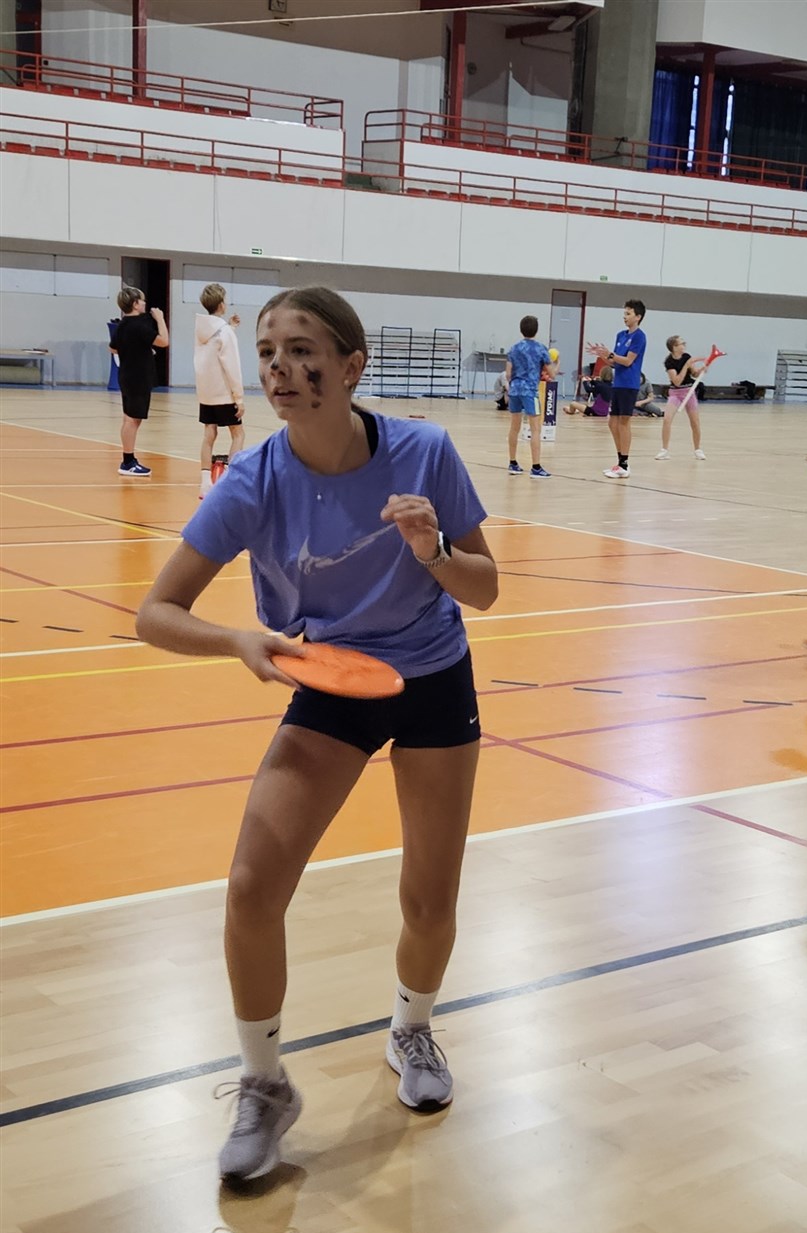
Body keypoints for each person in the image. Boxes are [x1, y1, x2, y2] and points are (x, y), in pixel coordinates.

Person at [135, 286, 498, 1184]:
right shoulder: (254, 481)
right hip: (328, 683)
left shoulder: (424, 452)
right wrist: (238, 640)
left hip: (433, 676)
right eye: (267, 353)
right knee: (252, 888)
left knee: (431, 899)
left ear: (349, 365)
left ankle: (411, 1029)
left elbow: (486, 587)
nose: (279, 369)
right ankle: (265, 1084)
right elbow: (155, 611)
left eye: (301, 350)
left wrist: (433, 553)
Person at [194, 283, 246, 498]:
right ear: (221, 304)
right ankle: (231, 481)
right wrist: (239, 398)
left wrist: (230, 327)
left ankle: (205, 484)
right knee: (238, 434)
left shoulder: (201, 329)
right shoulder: (224, 332)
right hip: (224, 393)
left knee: (209, 434)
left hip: (206, 393)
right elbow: (232, 365)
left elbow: (214, 347)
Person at [110, 285, 168, 477]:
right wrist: (160, 319)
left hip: (126, 375)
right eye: (141, 300)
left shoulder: (122, 325)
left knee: (129, 418)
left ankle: (128, 459)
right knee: (132, 420)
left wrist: (137, 349)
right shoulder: (139, 325)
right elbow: (163, 341)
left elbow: (113, 348)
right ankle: (128, 462)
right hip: (138, 377)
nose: (144, 303)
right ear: (135, 304)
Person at [588, 299, 646, 478]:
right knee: (612, 422)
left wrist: (611, 354)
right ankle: (620, 461)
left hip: (629, 384)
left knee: (623, 422)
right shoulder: (621, 335)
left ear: (638, 316)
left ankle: (625, 464)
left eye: (628, 314)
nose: (625, 317)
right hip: (618, 383)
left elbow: (628, 361)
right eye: (624, 314)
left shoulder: (639, 337)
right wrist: (602, 355)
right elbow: (614, 362)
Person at [504, 314, 555, 478]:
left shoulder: (514, 348)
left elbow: (508, 374)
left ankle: (513, 463)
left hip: (515, 390)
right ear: (536, 330)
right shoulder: (541, 349)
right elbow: (552, 374)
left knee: (514, 428)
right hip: (530, 391)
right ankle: (536, 467)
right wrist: (557, 362)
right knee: (535, 430)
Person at [656, 335, 706, 460]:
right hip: (675, 393)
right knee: (667, 419)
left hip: (689, 393)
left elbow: (694, 374)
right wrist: (686, 365)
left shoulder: (686, 357)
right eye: (681, 343)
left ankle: (698, 449)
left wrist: (702, 369)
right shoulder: (669, 362)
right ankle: (664, 450)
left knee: (695, 422)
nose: (684, 345)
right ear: (674, 347)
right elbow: (677, 381)